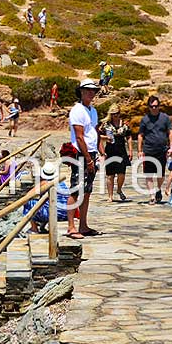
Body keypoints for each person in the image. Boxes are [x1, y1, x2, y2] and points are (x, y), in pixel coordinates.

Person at [67, 79, 101, 239]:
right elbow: (80, 137)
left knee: (86, 191)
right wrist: (88, 159)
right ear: (81, 91)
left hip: (91, 152)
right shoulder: (77, 110)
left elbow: (93, 131)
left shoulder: (92, 111)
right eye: (87, 90)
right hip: (81, 154)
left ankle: (83, 225)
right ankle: (71, 226)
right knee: (76, 190)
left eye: (93, 91)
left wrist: (99, 152)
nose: (90, 93)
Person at [138, 95, 172, 204]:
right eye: (152, 106)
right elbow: (140, 135)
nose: (154, 108)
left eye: (156, 106)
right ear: (148, 107)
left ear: (159, 106)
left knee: (160, 174)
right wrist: (139, 150)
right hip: (148, 150)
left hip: (162, 150)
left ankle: (158, 189)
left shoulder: (165, 118)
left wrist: (171, 147)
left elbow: (170, 132)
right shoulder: (145, 119)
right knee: (148, 174)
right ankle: (152, 196)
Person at [101, 104, 133, 202]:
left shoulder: (124, 124)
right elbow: (98, 136)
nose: (116, 115)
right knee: (110, 174)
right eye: (114, 114)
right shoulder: (105, 125)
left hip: (121, 150)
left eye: (118, 113)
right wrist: (106, 140)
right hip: (110, 150)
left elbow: (128, 137)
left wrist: (130, 150)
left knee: (121, 173)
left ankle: (119, 189)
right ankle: (110, 196)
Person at [25, 163, 70, 233]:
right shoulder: (62, 182)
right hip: (66, 214)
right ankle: (42, 226)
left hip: (55, 214)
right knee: (46, 202)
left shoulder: (45, 183)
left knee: (28, 203)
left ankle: (34, 228)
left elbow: (28, 195)